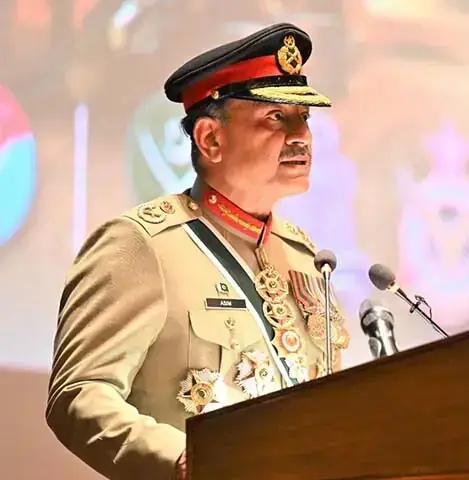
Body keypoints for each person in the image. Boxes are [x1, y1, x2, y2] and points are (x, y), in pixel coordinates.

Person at [46, 23, 350, 480]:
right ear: (210, 139)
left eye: (304, 118)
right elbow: (81, 392)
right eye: (276, 118)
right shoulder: (141, 244)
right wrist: (186, 458)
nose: (302, 136)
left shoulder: (304, 257)